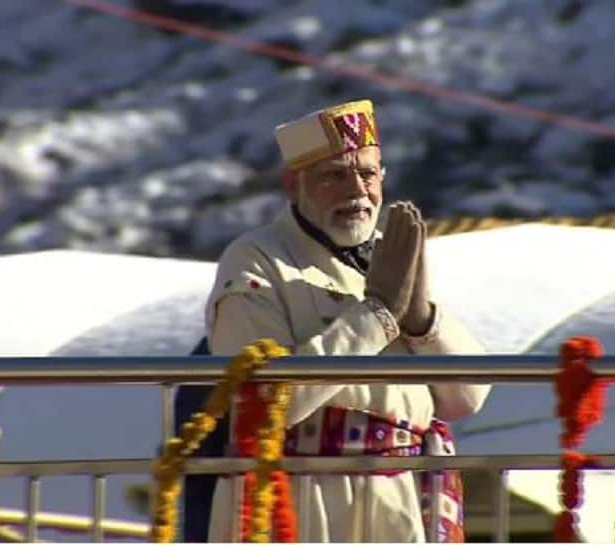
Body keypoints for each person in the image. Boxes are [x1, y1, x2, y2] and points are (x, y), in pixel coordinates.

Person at [200, 99, 491, 542]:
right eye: (334, 176)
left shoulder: (387, 255)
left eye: (368, 173)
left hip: (400, 498)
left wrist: (420, 319)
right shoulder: (256, 261)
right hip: (304, 500)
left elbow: (465, 400)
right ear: (293, 185)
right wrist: (374, 317)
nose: (356, 190)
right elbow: (261, 407)